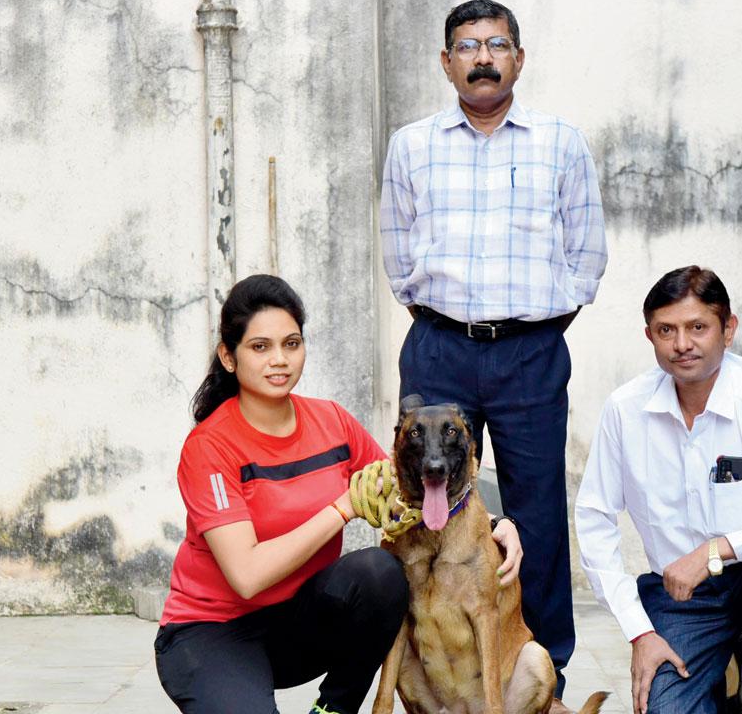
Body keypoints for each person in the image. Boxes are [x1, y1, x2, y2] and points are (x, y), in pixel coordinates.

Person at [154, 275, 522, 714]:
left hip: (298, 623)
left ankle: (333, 709)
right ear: (228, 358)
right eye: (260, 347)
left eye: (291, 344)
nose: (279, 360)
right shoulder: (210, 446)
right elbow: (247, 576)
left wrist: (498, 525)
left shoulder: (331, 422)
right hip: (211, 632)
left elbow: (408, 486)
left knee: (380, 574)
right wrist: (341, 508)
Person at [378, 0, 607, 701]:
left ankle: (542, 675)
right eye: (468, 46)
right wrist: (449, 319)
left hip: (530, 353)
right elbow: (397, 256)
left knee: (535, 511)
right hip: (440, 346)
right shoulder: (412, 145)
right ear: (447, 62)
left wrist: (528, 327)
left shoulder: (561, 143)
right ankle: (428, 669)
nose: (483, 57)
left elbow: (586, 256)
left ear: (518, 58)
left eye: (497, 44)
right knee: (423, 500)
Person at [574, 266, 742, 714]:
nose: (682, 344)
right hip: (681, 597)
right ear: (649, 335)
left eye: (698, 327)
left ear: (728, 329)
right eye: (666, 330)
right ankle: (724, 679)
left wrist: (716, 550)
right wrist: (641, 633)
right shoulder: (626, 409)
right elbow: (594, 519)